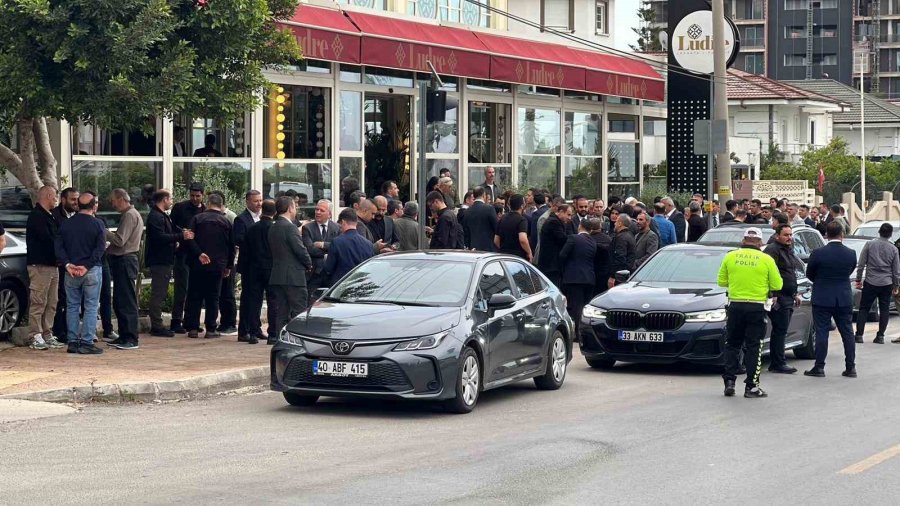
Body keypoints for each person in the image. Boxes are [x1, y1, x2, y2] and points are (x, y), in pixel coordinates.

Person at [717, 227, 782, 398]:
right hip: (756, 307)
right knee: (754, 347)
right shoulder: (766, 259)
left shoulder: (730, 256)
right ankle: (752, 387)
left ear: (743, 240)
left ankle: (729, 382)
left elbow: (721, 281)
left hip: (735, 306)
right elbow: (777, 285)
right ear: (760, 242)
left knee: (732, 344)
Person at [804, 222, 858, 378]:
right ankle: (851, 367)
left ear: (826, 234)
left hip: (822, 296)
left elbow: (810, 274)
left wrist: (821, 281)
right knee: (847, 333)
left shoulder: (818, 253)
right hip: (843, 297)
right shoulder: (851, 253)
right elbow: (850, 270)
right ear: (842, 234)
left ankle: (819, 367)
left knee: (821, 332)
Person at [55, 192, 107, 355]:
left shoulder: (66, 224)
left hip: (71, 271)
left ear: (78, 205)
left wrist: (68, 264)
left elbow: (58, 247)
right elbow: (100, 249)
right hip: (91, 270)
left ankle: (72, 341)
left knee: (72, 305)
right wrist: (87, 266)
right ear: (93, 206)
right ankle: (86, 341)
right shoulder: (98, 224)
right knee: (91, 306)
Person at [184, 193, 235, 339]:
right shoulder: (226, 222)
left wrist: (199, 254)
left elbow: (189, 239)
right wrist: (229, 266)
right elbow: (231, 247)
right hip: (217, 265)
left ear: (208, 202)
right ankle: (211, 328)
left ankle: (193, 328)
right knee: (213, 296)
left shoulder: (197, 219)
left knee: (194, 295)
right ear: (221, 205)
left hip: (197, 264)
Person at [145, 189, 192, 337]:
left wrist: (176, 239)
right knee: (158, 292)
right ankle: (157, 325)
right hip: (159, 260)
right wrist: (180, 237)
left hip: (164, 258)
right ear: (164, 199)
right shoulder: (155, 216)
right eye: (170, 199)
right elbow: (160, 237)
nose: (172, 201)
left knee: (161, 291)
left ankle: (157, 324)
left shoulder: (162, 216)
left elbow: (167, 233)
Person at [267, 196, 312, 343]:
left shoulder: (273, 226)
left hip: (277, 275)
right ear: (289, 208)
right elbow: (300, 250)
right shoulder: (290, 227)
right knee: (299, 311)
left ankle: (281, 340)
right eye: (294, 206)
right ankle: (299, 341)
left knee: (281, 312)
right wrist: (309, 263)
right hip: (293, 276)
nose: (296, 209)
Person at [25, 186, 63, 350]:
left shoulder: (51, 216)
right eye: (55, 197)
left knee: (52, 301)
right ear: (48, 196)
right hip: (40, 265)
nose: (57, 200)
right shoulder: (36, 216)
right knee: (38, 301)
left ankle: (47, 333)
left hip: (53, 265)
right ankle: (34, 335)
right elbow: (49, 239)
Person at [105, 188, 143, 350]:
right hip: (124, 260)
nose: (112, 204)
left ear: (121, 199)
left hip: (125, 260)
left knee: (126, 300)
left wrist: (104, 232)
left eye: (113, 201)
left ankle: (130, 337)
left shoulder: (129, 215)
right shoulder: (131, 214)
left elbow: (120, 241)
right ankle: (124, 335)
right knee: (121, 299)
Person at [763, 224, 804, 374]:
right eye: (786, 235)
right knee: (779, 330)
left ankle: (778, 361)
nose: (789, 238)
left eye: (790, 235)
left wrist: (794, 293)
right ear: (777, 236)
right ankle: (778, 362)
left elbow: (790, 273)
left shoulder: (788, 250)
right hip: (778, 297)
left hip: (788, 295)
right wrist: (772, 294)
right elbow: (768, 274)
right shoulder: (772, 250)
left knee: (782, 330)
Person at [238, 200, 277, 344]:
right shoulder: (274, 229)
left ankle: (253, 332)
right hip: (271, 269)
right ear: (274, 213)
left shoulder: (252, 228)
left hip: (254, 269)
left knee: (254, 301)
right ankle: (272, 334)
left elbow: (245, 250)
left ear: (262, 211)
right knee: (273, 301)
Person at [854, 223, 900, 344]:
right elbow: (896, 271)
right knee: (884, 309)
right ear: (890, 235)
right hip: (886, 283)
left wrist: (858, 280)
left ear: (879, 232)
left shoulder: (870, 244)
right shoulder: (893, 249)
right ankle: (880, 336)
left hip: (871, 281)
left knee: (864, 308)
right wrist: (896, 285)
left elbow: (861, 264)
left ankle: (859, 335)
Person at [169, 183, 205, 334]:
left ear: (203, 195)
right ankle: (176, 320)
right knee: (181, 288)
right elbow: (170, 225)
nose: (195, 199)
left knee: (195, 288)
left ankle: (191, 321)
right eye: (192, 196)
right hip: (182, 253)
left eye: (197, 196)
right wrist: (179, 234)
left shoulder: (205, 210)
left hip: (197, 254)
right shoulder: (180, 207)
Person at [51, 187, 79, 342]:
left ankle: (71, 331)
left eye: (77, 199)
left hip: (77, 265)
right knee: (60, 297)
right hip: (61, 264)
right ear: (63, 200)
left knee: (73, 299)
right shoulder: (55, 216)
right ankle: (59, 331)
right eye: (72, 199)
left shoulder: (80, 215)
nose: (76, 202)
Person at [301, 199, 341, 306]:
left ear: (330, 214)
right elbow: (310, 249)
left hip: (331, 274)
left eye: (322, 210)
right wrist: (329, 251)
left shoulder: (337, 228)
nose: (318, 212)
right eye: (316, 209)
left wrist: (323, 245)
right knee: (311, 304)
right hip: (314, 274)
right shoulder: (307, 228)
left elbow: (339, 247)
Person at [559, 220, 596, 329]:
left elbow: (562, 255)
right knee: (585, 306)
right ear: (591, 229)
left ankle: (577, 332)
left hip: (574, 278)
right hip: (589, 278)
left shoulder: (573, 238)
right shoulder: (593, 241)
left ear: (580, 226)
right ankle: (585, 330)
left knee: (576, 307)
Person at [323, 208, 375, 286]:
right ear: (356, 223)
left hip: (341, 287)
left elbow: (328, 268)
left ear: (343, 222)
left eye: (340, 225)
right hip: (362, 286)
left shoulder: (337, 242)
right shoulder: (368, 244)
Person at [537, 203, 572, 288]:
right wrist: (574, 239)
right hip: (551, 265)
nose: (570, 218)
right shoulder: (554, 222)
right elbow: (562, 239)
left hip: (550, 264)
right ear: (561, 212)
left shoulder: (554, 220)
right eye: (568, 214)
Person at [494, 194, 532, 261]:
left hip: (504, 257)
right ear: (522, 206)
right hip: (518, 258)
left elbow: (496, 240)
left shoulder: (502, 219)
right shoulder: (522, 220)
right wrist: (529, 252)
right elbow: (523, 239)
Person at [466, 187, 498, 252]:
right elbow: (496, 228)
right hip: (488, 248)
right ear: (484, 195)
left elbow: (466, 231)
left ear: (474, 196)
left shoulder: (467, 211)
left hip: (473, 249)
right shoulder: (489, 209)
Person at [608, 214, 636, 289]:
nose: (614, 223)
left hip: (620, 278)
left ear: (620, 223)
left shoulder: (621, 238)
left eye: (616, 221)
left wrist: (613, 276)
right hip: (627, 274)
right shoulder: (630, 235)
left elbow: (620, 258)